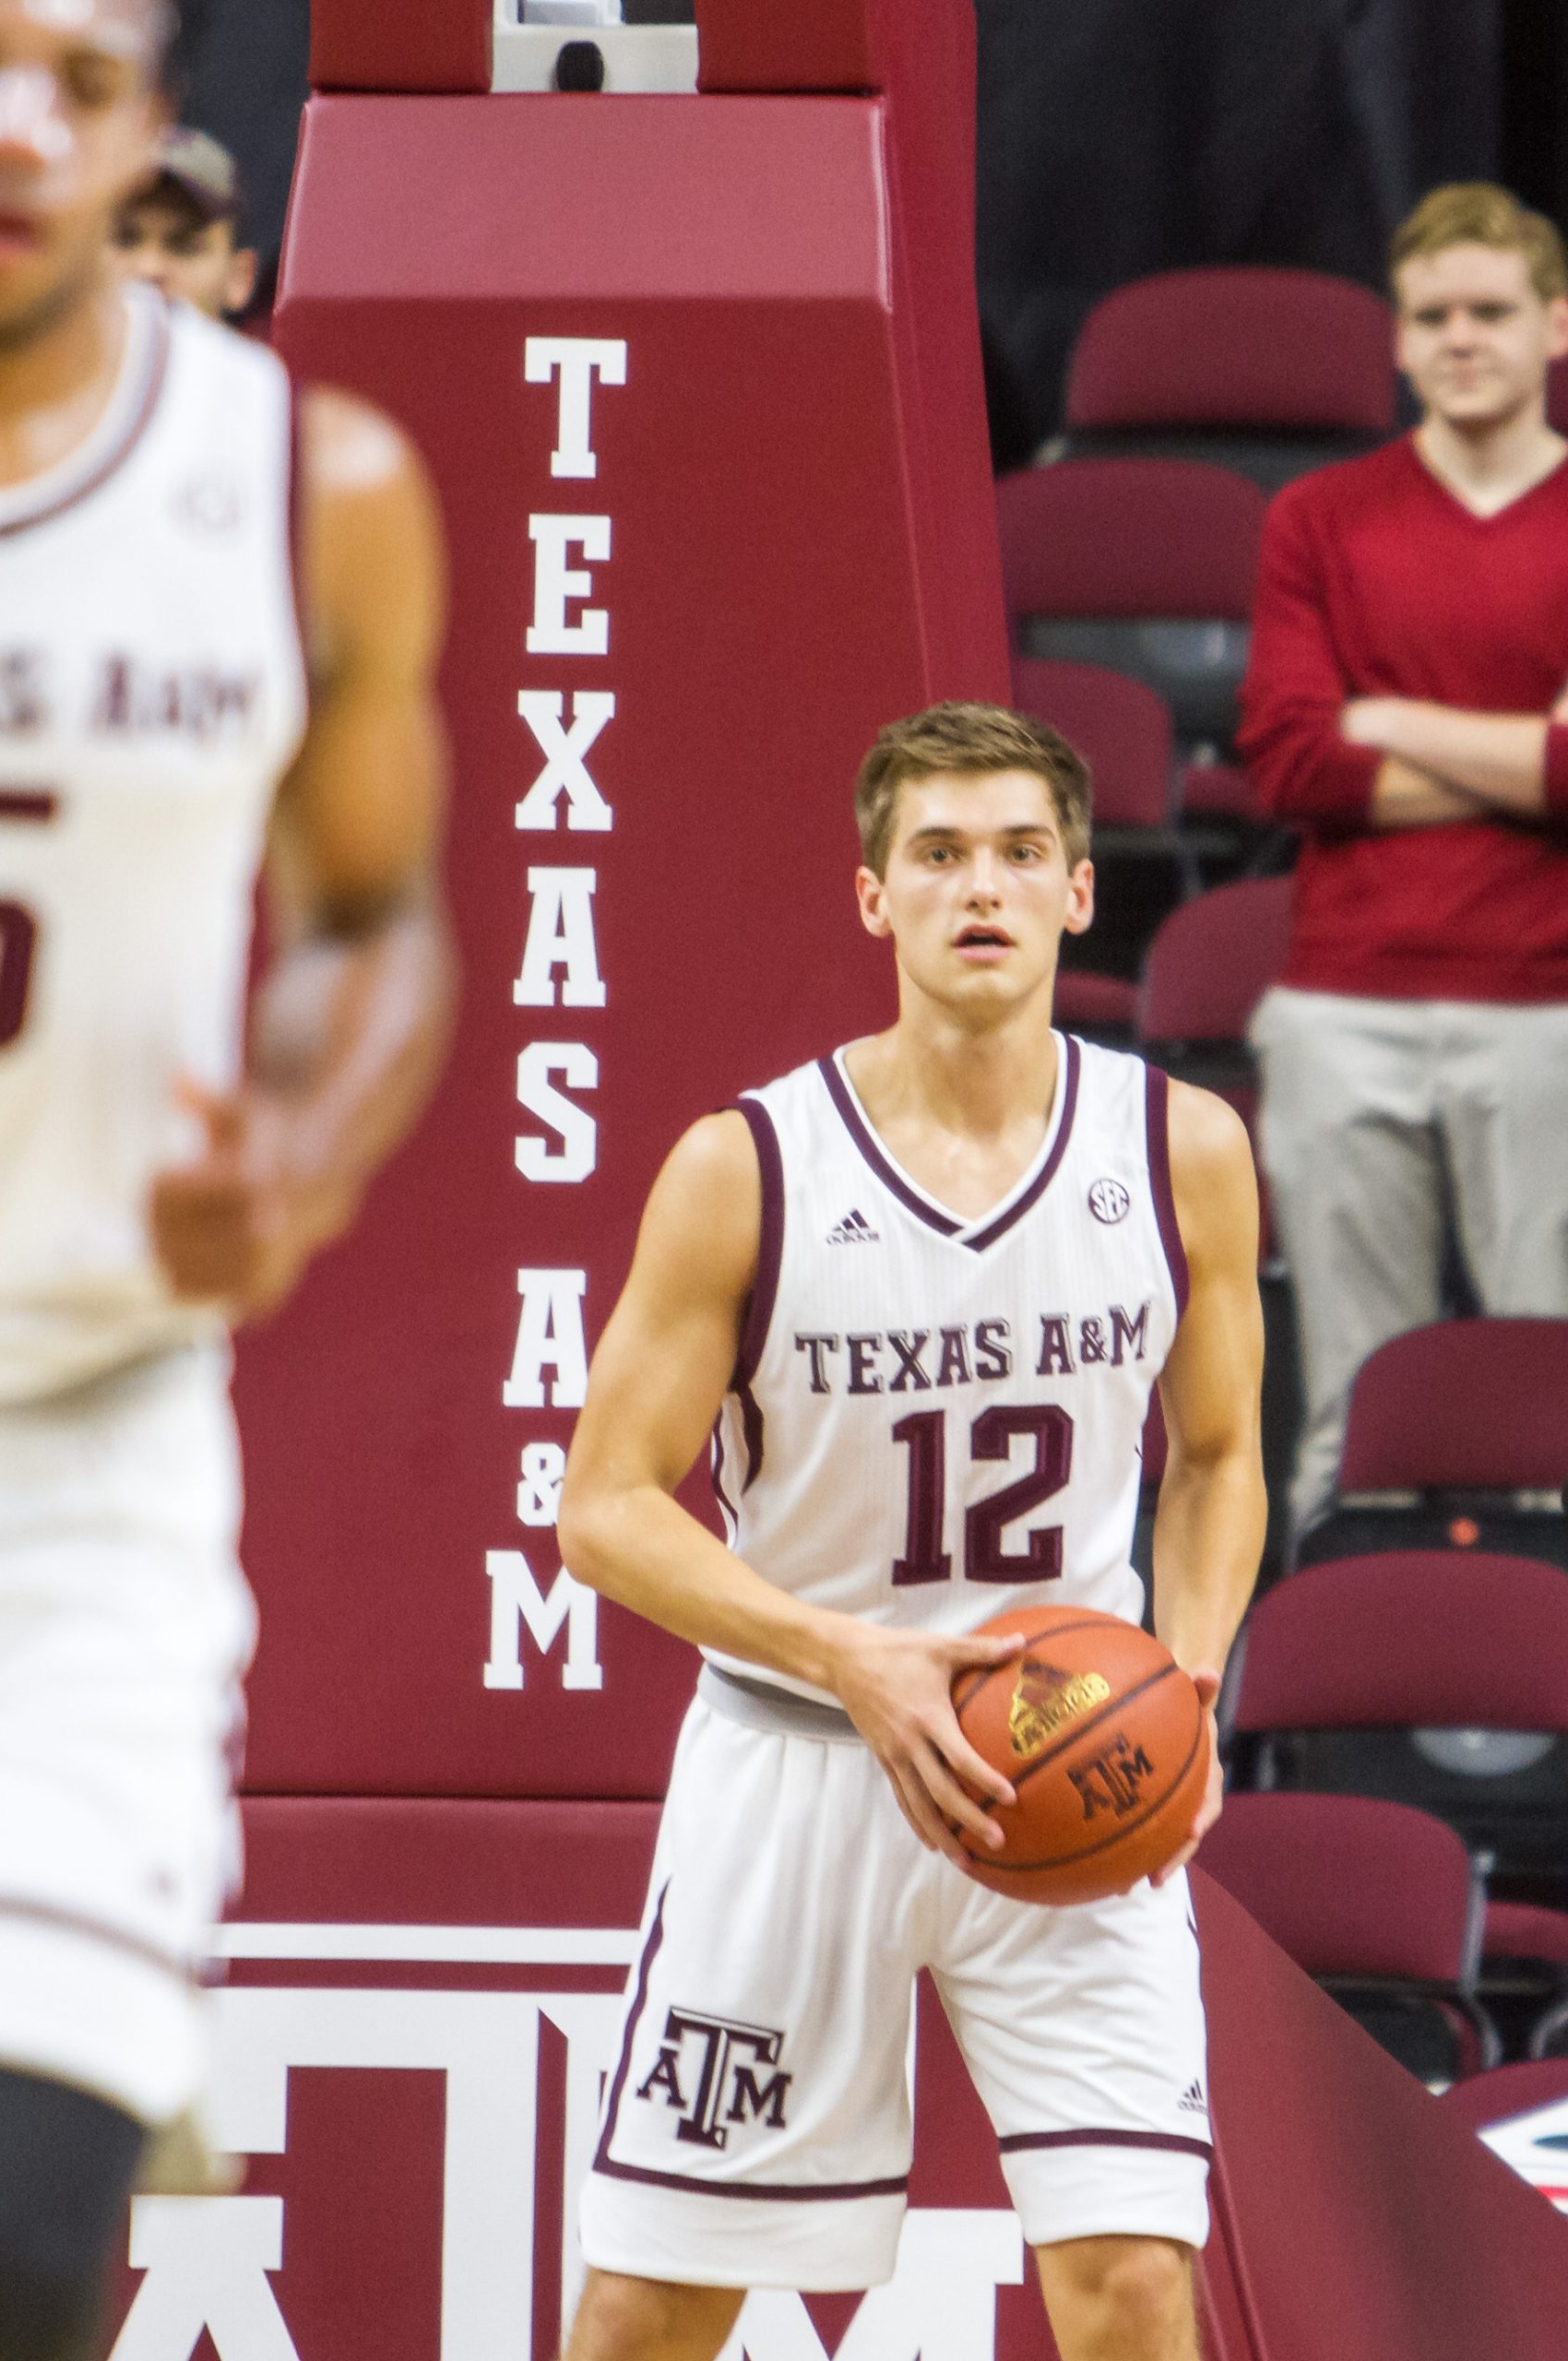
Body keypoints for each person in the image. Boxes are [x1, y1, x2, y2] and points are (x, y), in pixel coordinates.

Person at [557, 703, 1265, 2361]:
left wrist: (1194, 1677)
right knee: (655, 2313)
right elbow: (599, 1510)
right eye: (937, 854)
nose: (982, 889)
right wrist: (849, 1657)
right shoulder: (747, 1168)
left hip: (1079, 1752)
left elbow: (1221, 1457)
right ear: (873, 898)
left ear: (1082, 892)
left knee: (1134, 2289)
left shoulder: (1182, 1153)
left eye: (1021, 853)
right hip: (802, 1762)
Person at [0, 0, 453, 2352]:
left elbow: (377, 927)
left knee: (23, 2222)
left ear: (155, 127)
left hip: (76, 1439)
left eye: (71, 77)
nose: (12, 125)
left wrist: (287, 1141)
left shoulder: (308, 488)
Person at [1237, 182, 1568, 1538]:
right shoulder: (1317, 517)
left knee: (1545, 1406)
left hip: (1544, 1013)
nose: (1458, 338)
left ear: (1554, 324)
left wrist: (1389, 725)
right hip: (1340, 1008)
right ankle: (1322, 1716)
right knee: (1348, 1412)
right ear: (1394, 339)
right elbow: (1290, 763)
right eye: (1430, 316)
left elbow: (1353, 750)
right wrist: (1523, 761)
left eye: (1488, 311)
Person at [111, 125, 258, 322]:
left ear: (239, 277)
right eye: (123, 240)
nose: (149, 268)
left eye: (184, 247)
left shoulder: (251, 355)